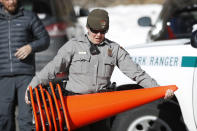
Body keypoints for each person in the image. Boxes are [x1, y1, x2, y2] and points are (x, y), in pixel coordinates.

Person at [25, 8, 174, 130]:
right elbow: (52, 68)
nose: (98, 35)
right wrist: (32, 87)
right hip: (75, 108)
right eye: (95, 30)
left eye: (102, 32)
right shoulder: (73, 46)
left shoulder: (114, 50)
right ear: (88, 28)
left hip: (102, 109)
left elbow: (137, 73)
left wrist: (158, 90)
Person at [0, 0, 50, 130]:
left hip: (25, 76)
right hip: (3, 78)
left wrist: (30, 47)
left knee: (26, 119)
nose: (11, 2)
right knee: (3, 119)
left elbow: (45, 40)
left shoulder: (29, 16)